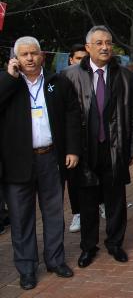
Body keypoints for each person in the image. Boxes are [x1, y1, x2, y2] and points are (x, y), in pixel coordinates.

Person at [0, 36, 80, 290]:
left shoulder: (58, 82)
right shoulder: (8, 83)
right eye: (24, 54)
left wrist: (72, 149)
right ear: (15, 58)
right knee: (21, 218)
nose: (30, 58)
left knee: (54, 213)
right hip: (17, 162)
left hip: (51, 158)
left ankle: (55, 260)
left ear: (42, 56)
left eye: (34, 53)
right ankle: (27, 269)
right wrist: (9, 78)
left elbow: (72, 116)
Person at [62, 25, 133, 268]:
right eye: (99, 43)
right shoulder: (70, 76)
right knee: (87, 201)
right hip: (85, 150)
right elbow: (65, 117)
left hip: (115, 147)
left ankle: (115, 243)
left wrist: (131, 148)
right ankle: (88, 247)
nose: (105, 47)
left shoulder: (126, 76)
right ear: (88, 47)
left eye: (108, 42)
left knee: (116, 200)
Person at [66, 43, 88, 233]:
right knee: (74, 176)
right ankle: (78, 213)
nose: (82, 62)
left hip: (93, 134)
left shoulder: (94, 75)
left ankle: (100, 203)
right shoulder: (63, 78)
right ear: (71, 60)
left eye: (84, 58)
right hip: (72, 135)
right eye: (78, 58)